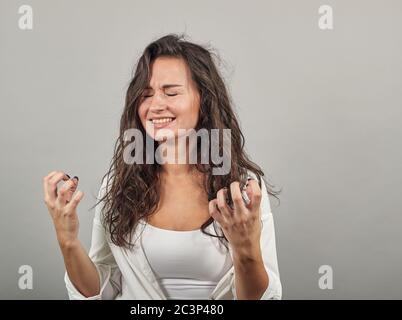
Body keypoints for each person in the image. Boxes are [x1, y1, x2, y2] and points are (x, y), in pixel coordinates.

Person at [43, 34, 282, 300]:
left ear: (204, 98)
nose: (156, 105)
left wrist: (245, 248)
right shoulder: (119, 184)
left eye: (171, 92)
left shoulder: (243, 188)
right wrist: (67, 241)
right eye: (145, 95)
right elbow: (101, 290)